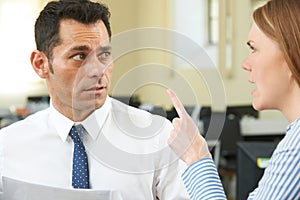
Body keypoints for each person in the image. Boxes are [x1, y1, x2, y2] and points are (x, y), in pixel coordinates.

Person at [0, 0, 190, 199]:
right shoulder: (6, 147)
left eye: (104, 54)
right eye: (79, 56)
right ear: (41, 64)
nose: (98, 70)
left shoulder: (157, 137)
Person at [167, 0, 300, 199]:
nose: (245, 64)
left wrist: (195, 155)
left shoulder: (296, 148)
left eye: (254, 49)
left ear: (291, 55)